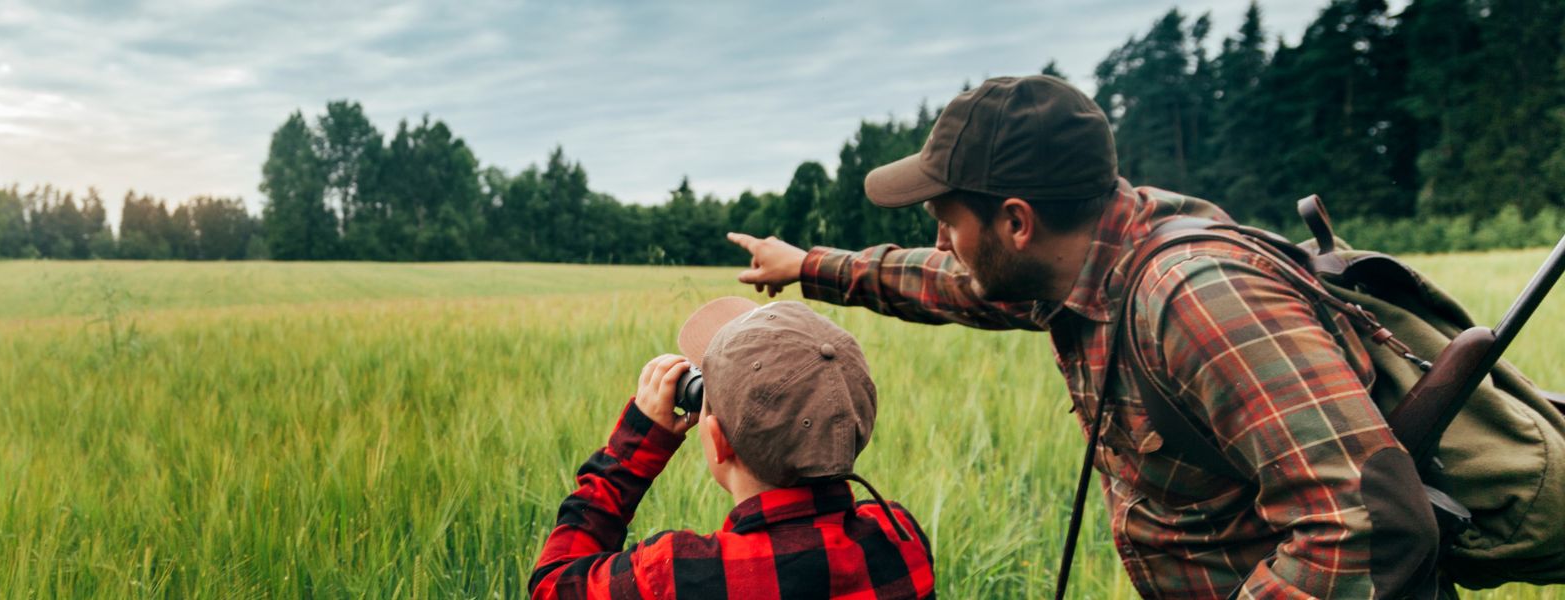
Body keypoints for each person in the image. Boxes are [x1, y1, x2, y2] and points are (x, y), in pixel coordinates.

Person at [727, 75, 1440, 599]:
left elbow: (1365, 523)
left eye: (948, 220)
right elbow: (946, 282)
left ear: (1015, 221)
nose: (942, 241)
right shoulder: (1077, 262)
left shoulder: (1196, 301)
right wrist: (809, 267)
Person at [528, 299, 935, 599]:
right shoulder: (900, 537)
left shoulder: (675, 576)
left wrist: (635, 447)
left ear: (719, 441)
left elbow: (551, 586)